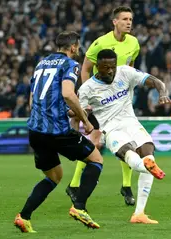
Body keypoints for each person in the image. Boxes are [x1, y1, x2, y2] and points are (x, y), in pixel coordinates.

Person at [14, 31, 103, 232]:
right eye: (78, 47)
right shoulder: (70, 64)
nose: (78, 50)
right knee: (96, 159)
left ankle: (24, 216)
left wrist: (68, 112)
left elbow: (33, 100)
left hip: (36, 130)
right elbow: (68, 94)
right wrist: (85, 120)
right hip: (57, 131)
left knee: (54, 176)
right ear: (73, 47)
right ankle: (79, 207)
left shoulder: (41, 64)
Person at [73, 49, 171, 224]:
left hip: (131, 122)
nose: (110, 71)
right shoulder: (87, 88)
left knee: (149, 152)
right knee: (131, 156)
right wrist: (82, 122)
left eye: (112, 66)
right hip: (111, 129)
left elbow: (156, 81)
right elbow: (76, 112)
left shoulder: (125, 72)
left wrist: (163, 93)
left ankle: (139, 214)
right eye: (105, 67)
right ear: (97, 66)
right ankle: (145, 165)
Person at [66, 6, 140, 206]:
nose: (129, 22)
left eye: (130, 19)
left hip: (122, 102)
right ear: (114, 22)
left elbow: (129, 69)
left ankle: (126, 186)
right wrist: (87, 98)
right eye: (124, 19)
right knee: (95, 142)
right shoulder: (100, 43)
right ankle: (74, 185)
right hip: (102, 102)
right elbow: (86, 69)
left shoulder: (134, 43)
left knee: (128, 142)